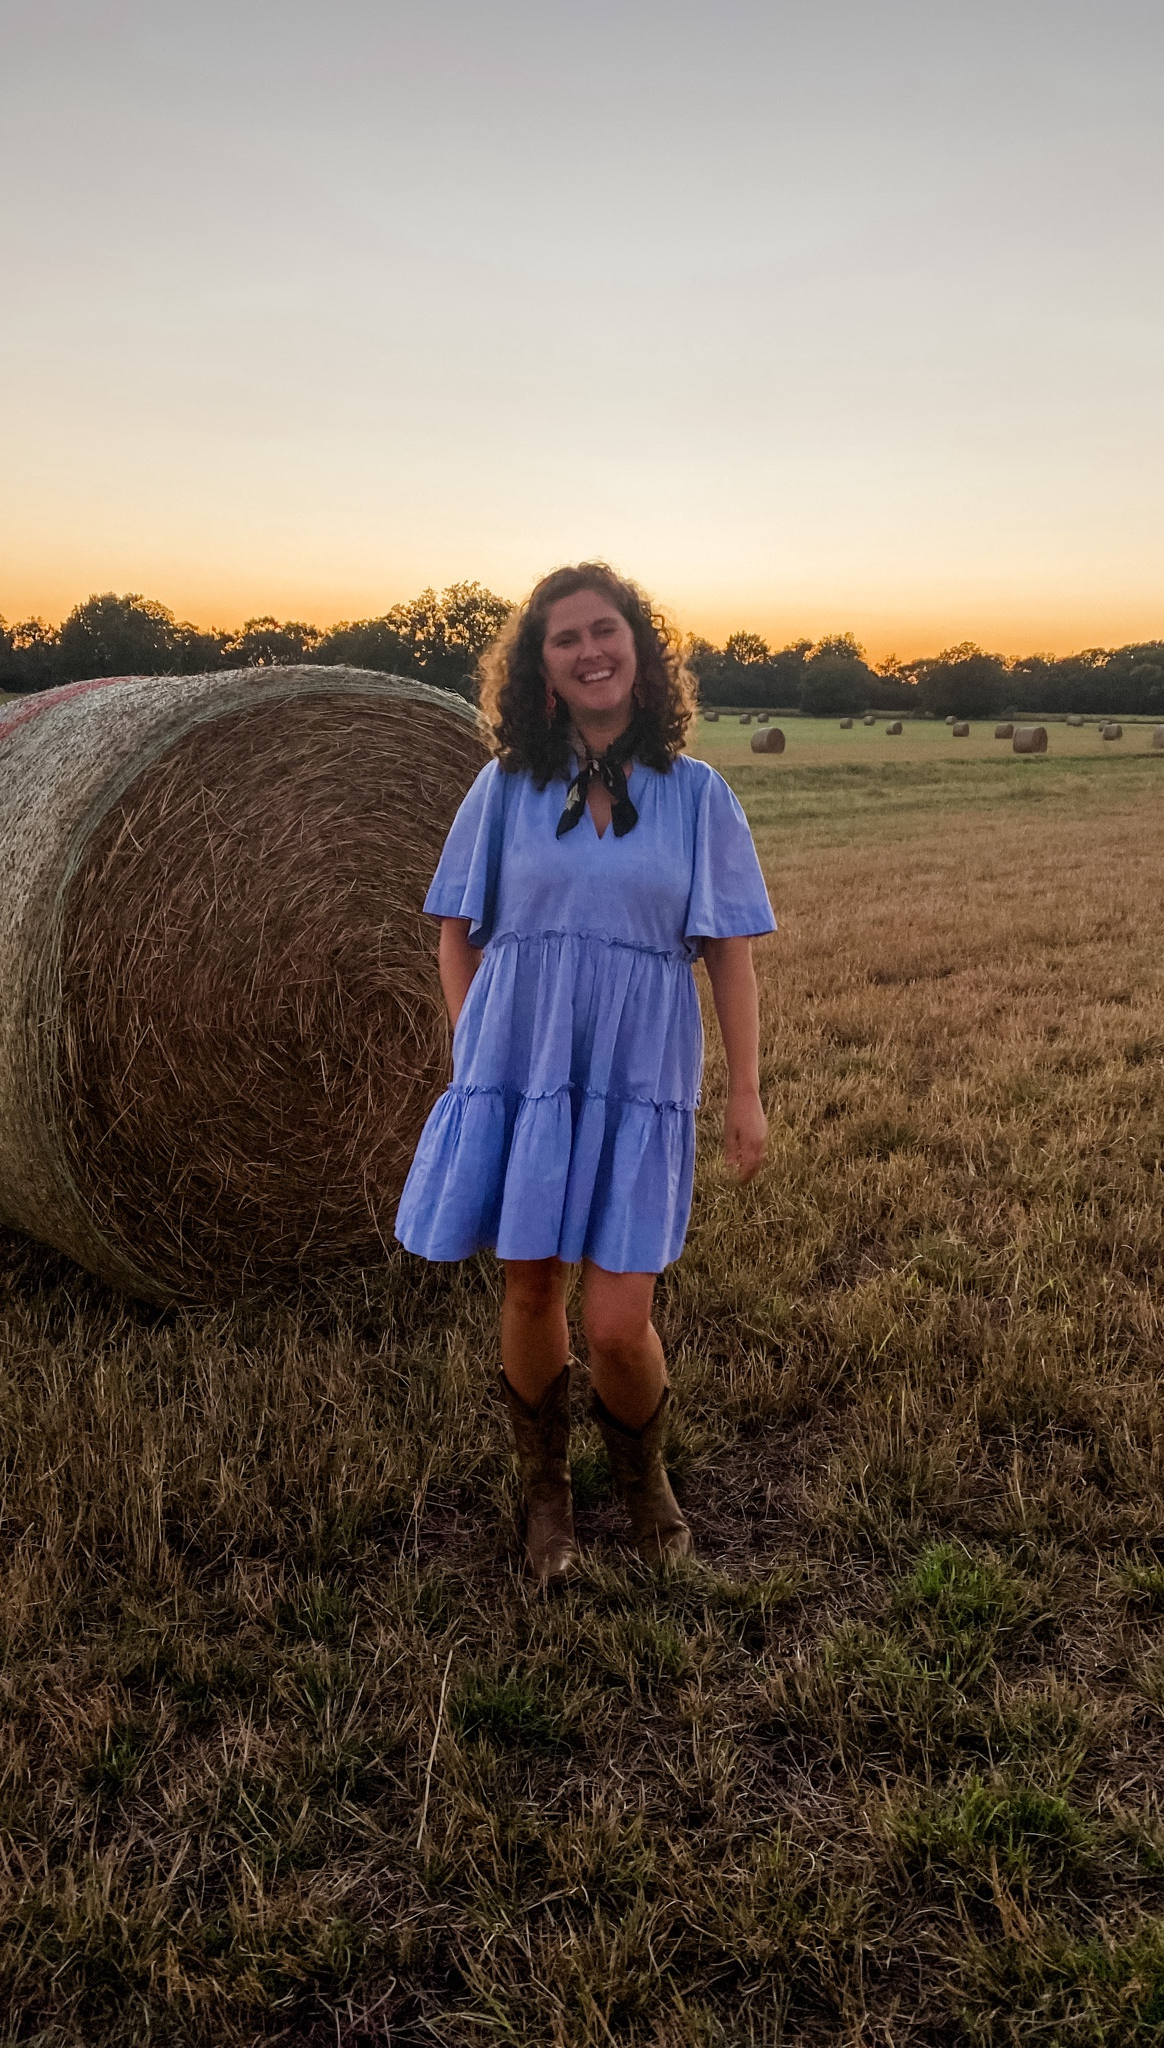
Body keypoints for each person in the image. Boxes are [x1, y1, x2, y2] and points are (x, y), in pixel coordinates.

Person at [394, 563, 775, 1588]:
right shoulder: (503, 787)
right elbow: (453, 933)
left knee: (616, 1319)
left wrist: (744, 1092)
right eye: (565, 639)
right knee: (528, 1288)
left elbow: (730, 951)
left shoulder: (699, 796)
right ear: (542, 670)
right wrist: (479, 1051)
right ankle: (549, 1495)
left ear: (642, 653)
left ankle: (644, 1481)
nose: (589, 649)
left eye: (606, 631)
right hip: (521, 1066)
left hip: (638, 1069)